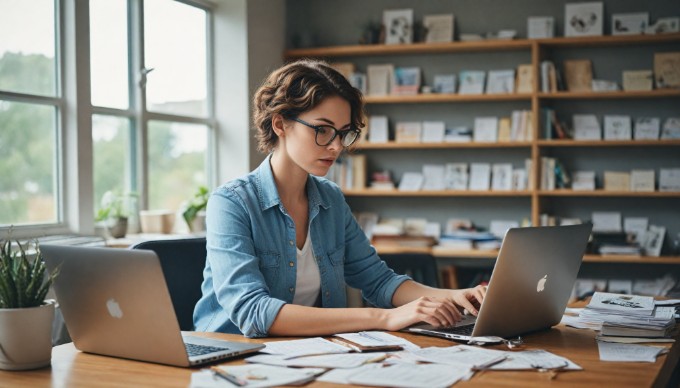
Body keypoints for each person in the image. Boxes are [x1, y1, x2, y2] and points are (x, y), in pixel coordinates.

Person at [193, 59, 486, 338]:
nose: (336, 146)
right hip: (234, 359)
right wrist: (383, 318)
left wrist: (454, 296)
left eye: (343, 133)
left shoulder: (330, 198)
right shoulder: (231, 202)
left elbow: (378, 280)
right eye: (322, 130)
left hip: (306, 355)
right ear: (280, 124)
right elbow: (253, 311)